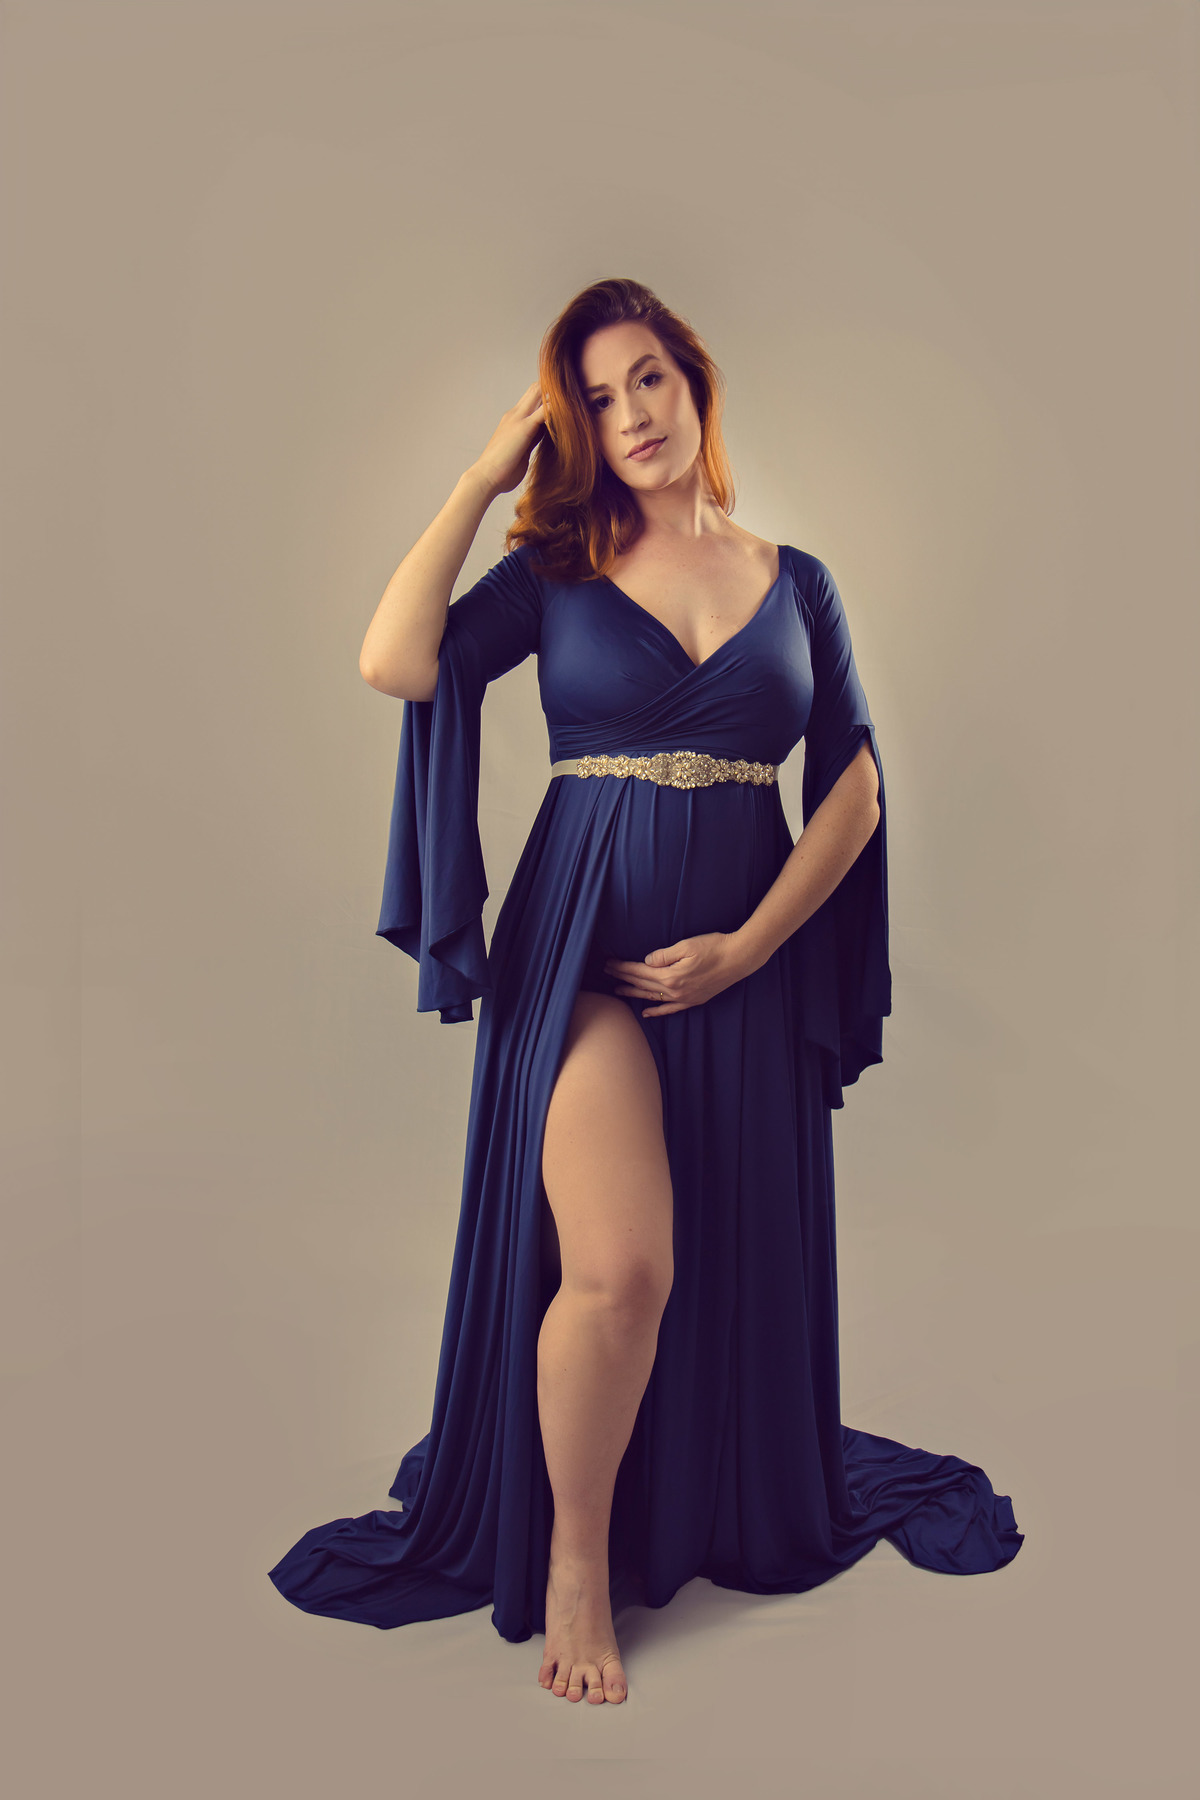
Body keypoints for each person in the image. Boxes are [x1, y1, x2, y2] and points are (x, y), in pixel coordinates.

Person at [267, 277, 1023, 1706]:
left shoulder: (799, 581)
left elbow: (854, 787)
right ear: (574, 431)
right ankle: (575, 1561)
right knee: (623, 1272)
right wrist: (484, 474)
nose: (630, 417)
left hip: (742, 965)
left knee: (719, 1242)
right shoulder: (553, 573)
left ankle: (700, 1494)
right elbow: (394, 660)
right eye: (596, 401)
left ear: (695, 381)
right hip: (582, 955)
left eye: (647, 381)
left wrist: (752, 948)